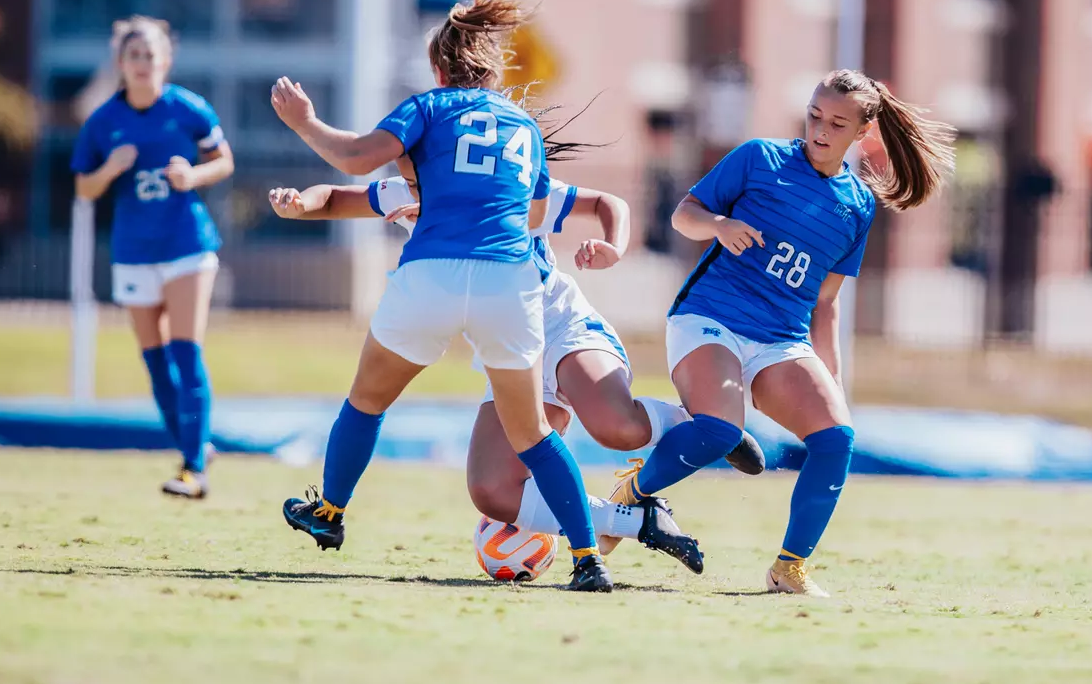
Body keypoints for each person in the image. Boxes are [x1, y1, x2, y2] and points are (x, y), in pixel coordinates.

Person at [268, 0, 612, 592]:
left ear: (439, 67)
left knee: (367, 400)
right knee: (531, 432)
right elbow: (531, 217)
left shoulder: (429, 107)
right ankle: (589, 560)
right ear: (492, 69)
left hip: (434, 271)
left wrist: (305, 122)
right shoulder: (525, 128)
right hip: (509, 279)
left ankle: (330, 514)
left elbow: (353, 161)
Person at [266, 160, 767, 574]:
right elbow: (335, 196)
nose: (409, 171)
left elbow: (603, 203)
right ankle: (640, 523)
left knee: (618, 429)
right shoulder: (404, 186)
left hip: (562, 328)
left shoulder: (509, 176)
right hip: (507, 350)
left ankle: (699, 425)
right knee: (491, 490)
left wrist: (613, 245)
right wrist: (297, 203)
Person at [605, 68, 954, 596]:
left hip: (782, 340)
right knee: (720, 431)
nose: (820, 129)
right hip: (710, 318)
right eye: (815, 115)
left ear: (861, 133)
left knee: (837, 439)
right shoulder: (759, 157)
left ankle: (788, 568)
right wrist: (718, 226)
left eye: (837, 123)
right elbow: (685, 215)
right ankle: (632, 493)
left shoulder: (857, 205)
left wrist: (829, 373)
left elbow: (827, 302)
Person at [71, 16, 234, 500]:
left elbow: (223, 162)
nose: (143, 64)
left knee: (186, 352)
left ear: (166, 60)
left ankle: (192, 470)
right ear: (120, 63)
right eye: (134, 55)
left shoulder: (187, 108)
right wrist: (109, 169)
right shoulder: (104, 122)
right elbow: (83, 187)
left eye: (151, 55)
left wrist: (193, 176)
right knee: (156, 363)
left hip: (187, 245)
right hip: (134, 252)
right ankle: (197, 447)